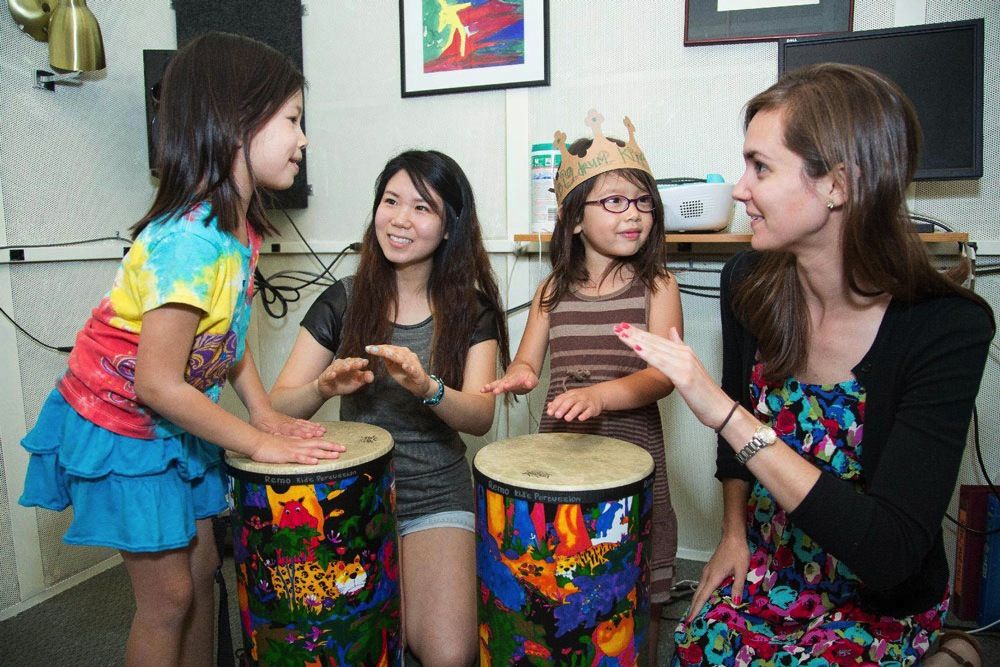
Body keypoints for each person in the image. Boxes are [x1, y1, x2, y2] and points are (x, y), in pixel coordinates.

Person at [614, 63, 993, 666]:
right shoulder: (749, 286)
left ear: (837, 184)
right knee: (695, 650)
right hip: (773, 570)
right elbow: (731, 459)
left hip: (878, 593)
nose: (740, 189)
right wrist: (732, 536)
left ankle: (953, 650)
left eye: (760, 167)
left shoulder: (946, 327)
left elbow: (890, 549)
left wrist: (724, 412)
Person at [17, 32, 345, 667]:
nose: (304, 139)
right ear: (235, 123)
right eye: (292, 120)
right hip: (123, 424)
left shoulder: (236, 231)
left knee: (198, 575)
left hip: (175, 425)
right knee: (166, 597)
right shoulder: (187, 244)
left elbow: (228, 339)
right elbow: (157, 384)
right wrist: (258, 442)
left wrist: (264, 412)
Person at [270, 149, 510, 666]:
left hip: (434, 495)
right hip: (350, 497)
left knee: (448, 654)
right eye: (390, 201)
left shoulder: (473, 311)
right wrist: (323, 388)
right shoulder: (343, 300)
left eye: (422, 208)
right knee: (352, 646)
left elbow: (479, 417)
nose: (400, 218)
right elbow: (274, 407)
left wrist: (428, 386)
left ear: (449, 227)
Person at [482, 109, 683, 661]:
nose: (634, 215)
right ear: (574, 218)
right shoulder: (552, 290)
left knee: (635, 584)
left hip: (633, 449)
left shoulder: (657, 285)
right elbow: (528, 362)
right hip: (564, 453)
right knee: (563, 580)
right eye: (615, 201)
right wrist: (517, 378)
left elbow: (664, 375)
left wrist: (601, 395)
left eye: (644, 203)